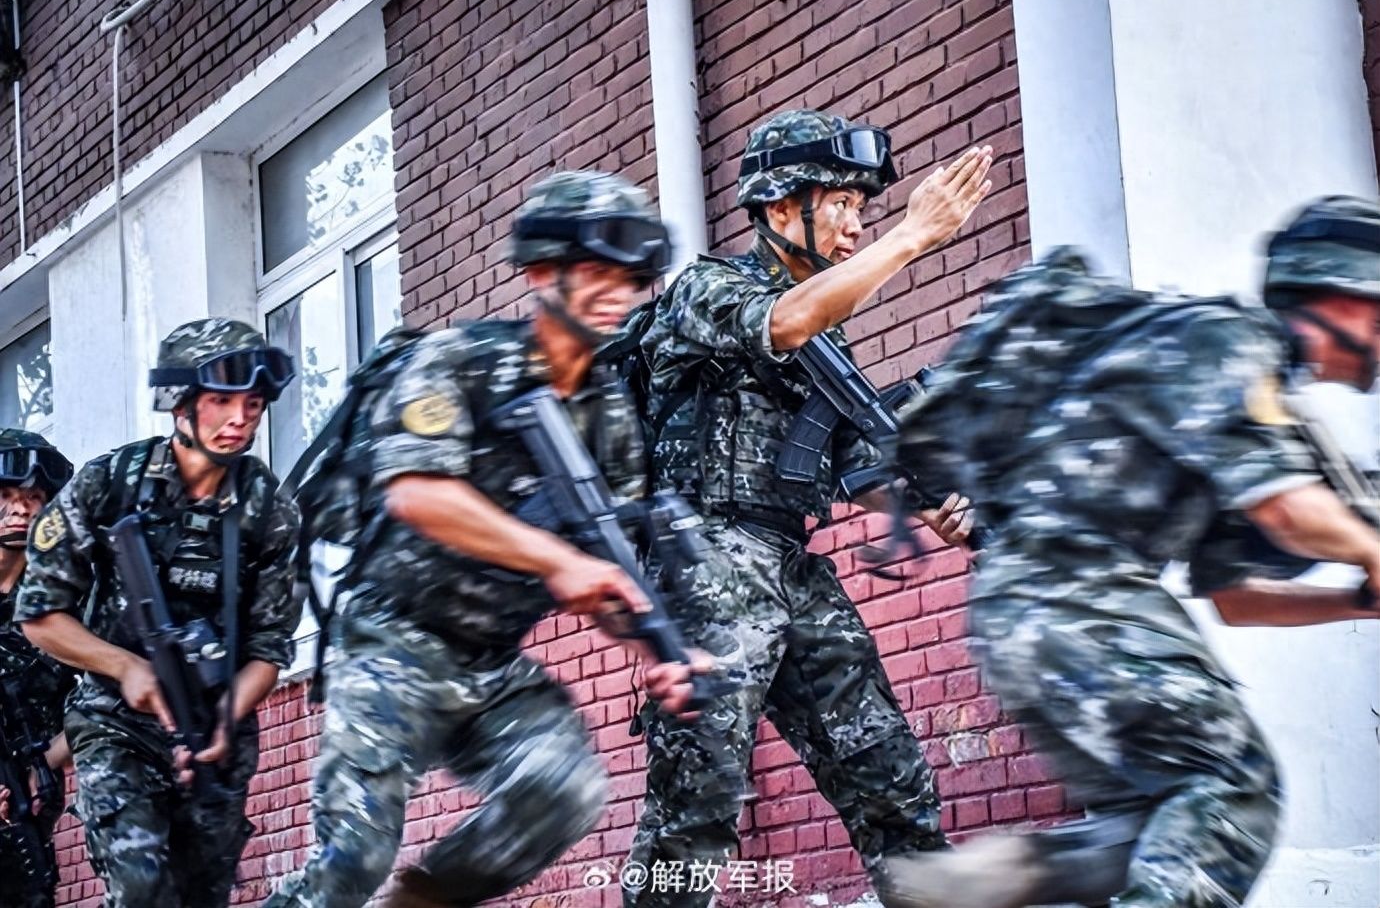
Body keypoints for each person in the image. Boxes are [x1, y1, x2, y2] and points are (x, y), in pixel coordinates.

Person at [884, 195, 1380, 908]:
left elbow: (1237, 600)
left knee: (1150, 824)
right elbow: (1293, 510)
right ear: (1343, 291)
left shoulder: (1237, 395)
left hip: (1019, 613)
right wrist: (1370, 547)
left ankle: (995, 877)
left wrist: (1354, 598)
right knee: (1231, 784)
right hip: (1082, 596)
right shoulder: (1230, 344)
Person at [263, 170, 706, 908]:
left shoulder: (610, 420)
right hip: (390, 642)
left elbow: (601, 569)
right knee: (352, 859)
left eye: (632, 278)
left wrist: (661, 651)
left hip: (491, 664)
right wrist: (555, 559)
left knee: (563, 791)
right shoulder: (459, 362)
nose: (617, 291)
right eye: (597, 270)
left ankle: (422, 905)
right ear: (541, 272)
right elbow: (417, 494)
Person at [623, 108, 992, 907]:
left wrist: (938, 510)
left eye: (867, 208)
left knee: (890, 778)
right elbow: (783, 323)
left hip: (791, 565)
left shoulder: (831, 338)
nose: (861, 224)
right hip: (703, 561)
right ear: (782, 208)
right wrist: (914, 236)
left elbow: (855, 465)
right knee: (696, 807)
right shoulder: (709, 288)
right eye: (844, 205)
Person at [15, 318, 303, 908]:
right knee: (143, 889)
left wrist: (224, 717)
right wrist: (124, 667)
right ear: (179, 404)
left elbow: (271, 647)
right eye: (222, 401)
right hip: (114, 722)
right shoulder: (108, 485)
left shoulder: (267, 508)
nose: (239, 419)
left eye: (253, 404)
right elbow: (40, 613)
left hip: (217, 729)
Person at [0, 429, 76, 908]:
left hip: (27, 794)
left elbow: (106, 697)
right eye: (5, 496)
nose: (20, 509)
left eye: (33, 498)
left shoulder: (69, 600)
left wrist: (38, 764)